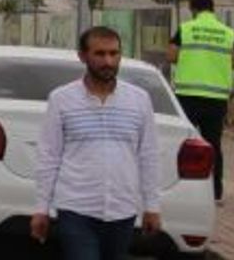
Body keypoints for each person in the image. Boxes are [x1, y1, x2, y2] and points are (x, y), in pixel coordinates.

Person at [31, 26, 161, 260]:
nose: (108, 61)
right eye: (100, 54)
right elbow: (49, 156)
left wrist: (152, 206)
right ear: (83, 56)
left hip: (123, 211)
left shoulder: (139, 100)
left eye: (114, 53)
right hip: (76, 209)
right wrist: (41, 209)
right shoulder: (62, 99)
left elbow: (148, 156)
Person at [168, 0, 234, 203]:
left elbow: (171, 56)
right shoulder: (228, 33)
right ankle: (215, 192)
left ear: (193, 9)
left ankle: (180, 189)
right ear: (213, 9)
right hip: (216, 98)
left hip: (187, 96)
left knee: (184, 142)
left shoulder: (186, 29)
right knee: (213, 144)